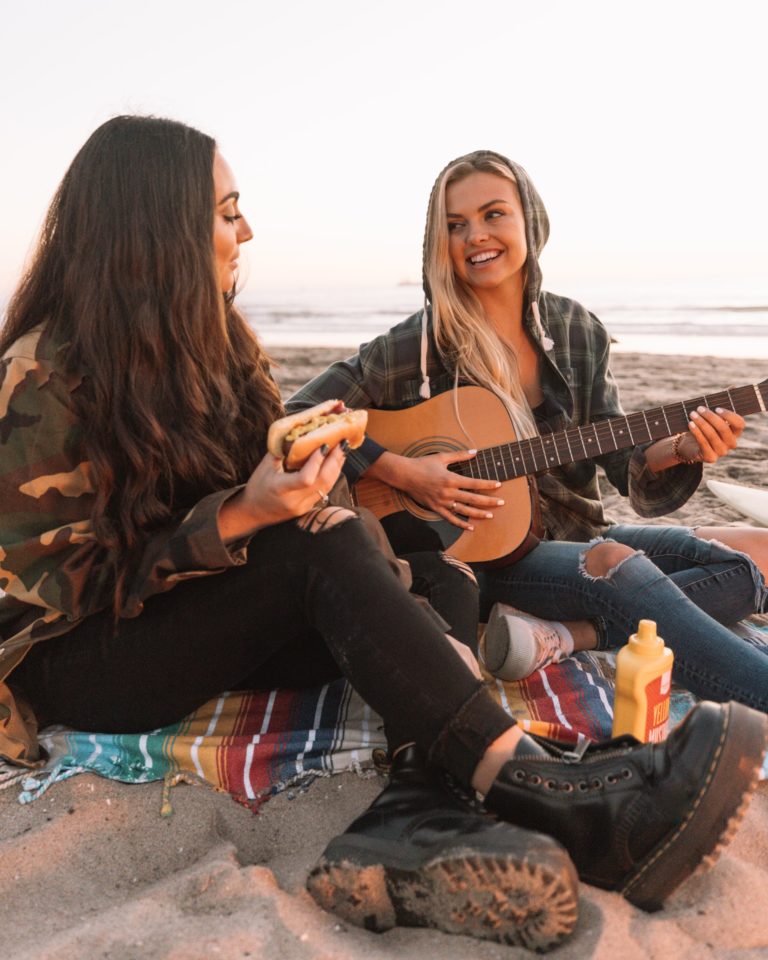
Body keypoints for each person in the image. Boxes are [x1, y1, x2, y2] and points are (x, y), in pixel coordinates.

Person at [0, 123, 765, 951]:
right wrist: (259, 511)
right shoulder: (43, 374)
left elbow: (301, 438)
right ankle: (544, 788)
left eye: (494, 216)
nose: (246, 232)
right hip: (88, 657)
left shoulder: (216, 347)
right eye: (226, 213)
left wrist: (321, 482)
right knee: (333, 545)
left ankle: (413, 815)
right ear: (155, 226)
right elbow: (56, 597)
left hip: (203, 611)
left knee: (431, 570)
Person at [287, 149, 768, 711]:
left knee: (749, 559)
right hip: (483, 559)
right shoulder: (415, 346)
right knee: (618, 567)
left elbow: (621, 456)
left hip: (576, 534)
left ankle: (567, 636)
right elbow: (296, 415)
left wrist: (682, 447)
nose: (475, 236)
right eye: (455, 225)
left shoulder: (576, 329)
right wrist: (402, 472)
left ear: (529, 220)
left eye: (494, 214)